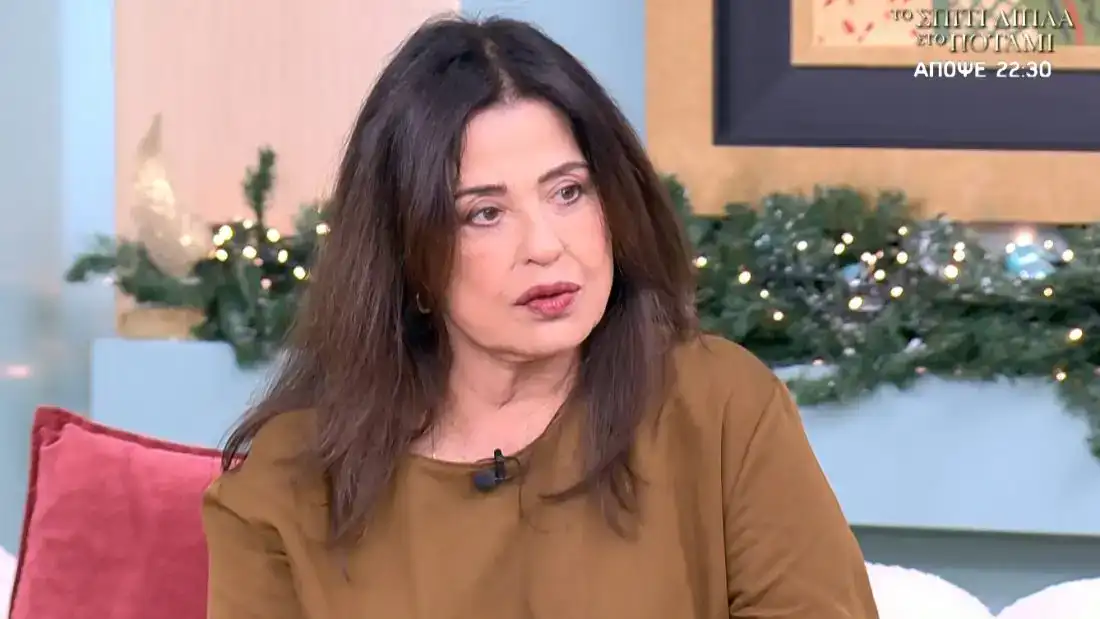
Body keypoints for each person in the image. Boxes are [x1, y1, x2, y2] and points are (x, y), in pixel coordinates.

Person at [202, 15, 878, 619]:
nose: (546, 245)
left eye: (568, 192)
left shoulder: (719, 406)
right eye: (484, 213)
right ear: (404, 253)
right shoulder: (286, 486)